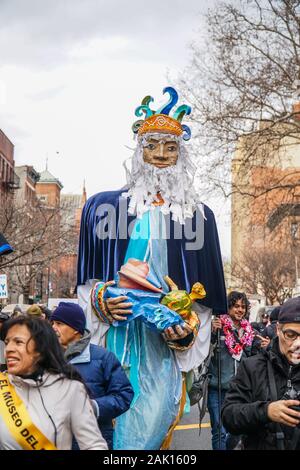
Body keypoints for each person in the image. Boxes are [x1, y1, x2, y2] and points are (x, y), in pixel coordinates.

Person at [77, 86, 227, 449]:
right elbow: (86, 284)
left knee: (156, 423)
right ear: (139, 151)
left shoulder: (200, 217)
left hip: (164, 353)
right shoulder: (100, 208)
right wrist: (101, 301)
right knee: (109, 429)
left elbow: (203, 304)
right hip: (115, 344)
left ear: (182, 154)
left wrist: (187, 331)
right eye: (152, 146)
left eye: (171, 147)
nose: (161, 155)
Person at [0, 315, 108, 450]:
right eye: (7, 342)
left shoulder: (70, 389)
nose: (8, 349)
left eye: (18, 342)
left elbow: (93, 445)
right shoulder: (2, 386)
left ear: (40, 349)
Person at [50, 301, 134, 449]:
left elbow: (124, 395)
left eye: (59, 324)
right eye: (52, 324)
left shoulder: (103, 357)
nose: (53, 328)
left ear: (76, 329)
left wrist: (93, 407)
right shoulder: (44, 358)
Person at [222, 296, 300, 450]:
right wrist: (266, 411)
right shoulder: (252, 367)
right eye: (291, 335)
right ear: (278, 329)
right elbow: (229, 416)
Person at [207, 291, 254, 450]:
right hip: (217, 389)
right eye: (235, 306)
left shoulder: (249, 331)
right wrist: (212, 334)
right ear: (228, 308)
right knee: (219, 432)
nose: (240, 310)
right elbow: (204, 352)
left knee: (236, 432)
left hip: (240, 391)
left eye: (243, 307)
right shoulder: (218, 326)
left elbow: (254, 359)